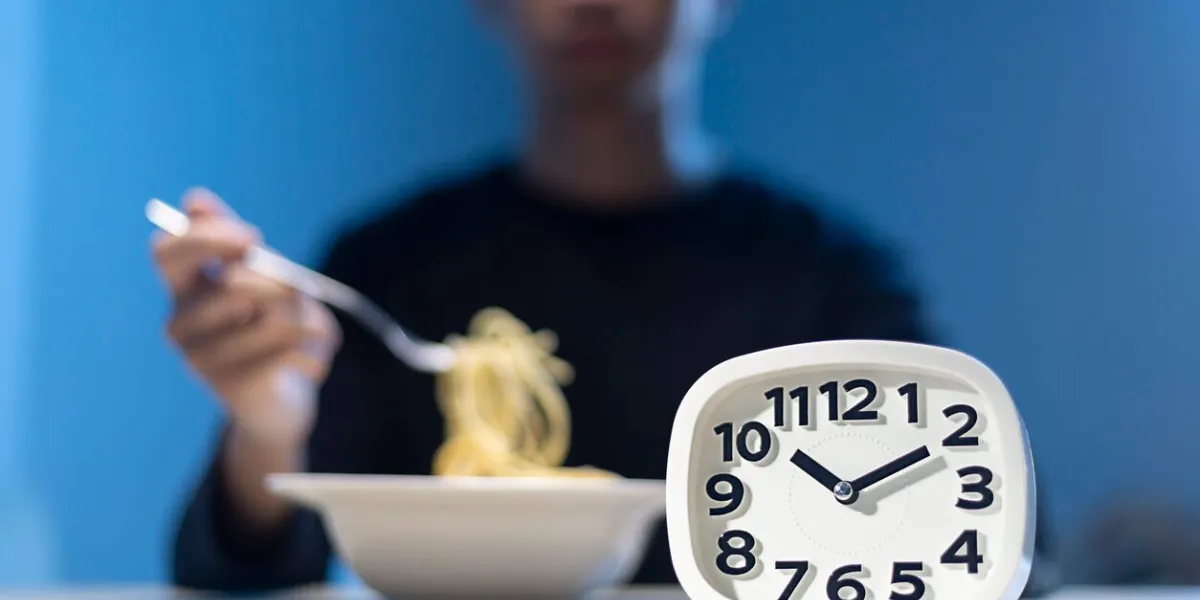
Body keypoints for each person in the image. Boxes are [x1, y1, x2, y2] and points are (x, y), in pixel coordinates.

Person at [155, 0, 1052, 594]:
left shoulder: (828, 274)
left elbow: (990, 532)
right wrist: (267, 425)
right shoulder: (388, 262)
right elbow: (247, 574)